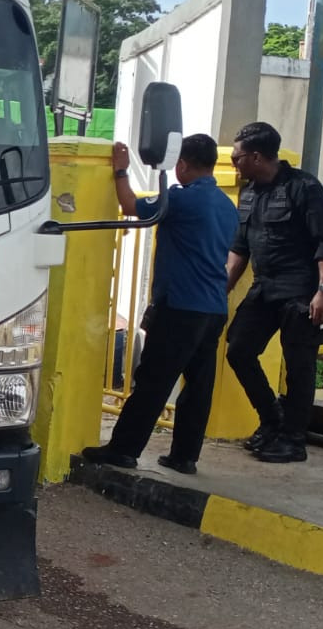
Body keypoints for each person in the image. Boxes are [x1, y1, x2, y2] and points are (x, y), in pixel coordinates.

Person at [81, 135, 242, 474]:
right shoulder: (226, 205)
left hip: (181, 305)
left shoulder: (181, 201)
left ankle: (123, 449)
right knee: (198, 385)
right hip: (213, 307)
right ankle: (185, 455)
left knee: (154, 379)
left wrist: (121, 172)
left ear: (182, 164)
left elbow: (130, 206)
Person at [224, 121, 323, 464]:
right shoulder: (250, 192)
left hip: (301, 292)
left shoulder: (304, 187)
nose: (234, 164)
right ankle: (273, 419)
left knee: (299, 367)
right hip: (265, 289)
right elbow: (239, 251)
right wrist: (221, 291)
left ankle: (293, 440)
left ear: (257, 157)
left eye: (237, 157)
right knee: (239, 351)